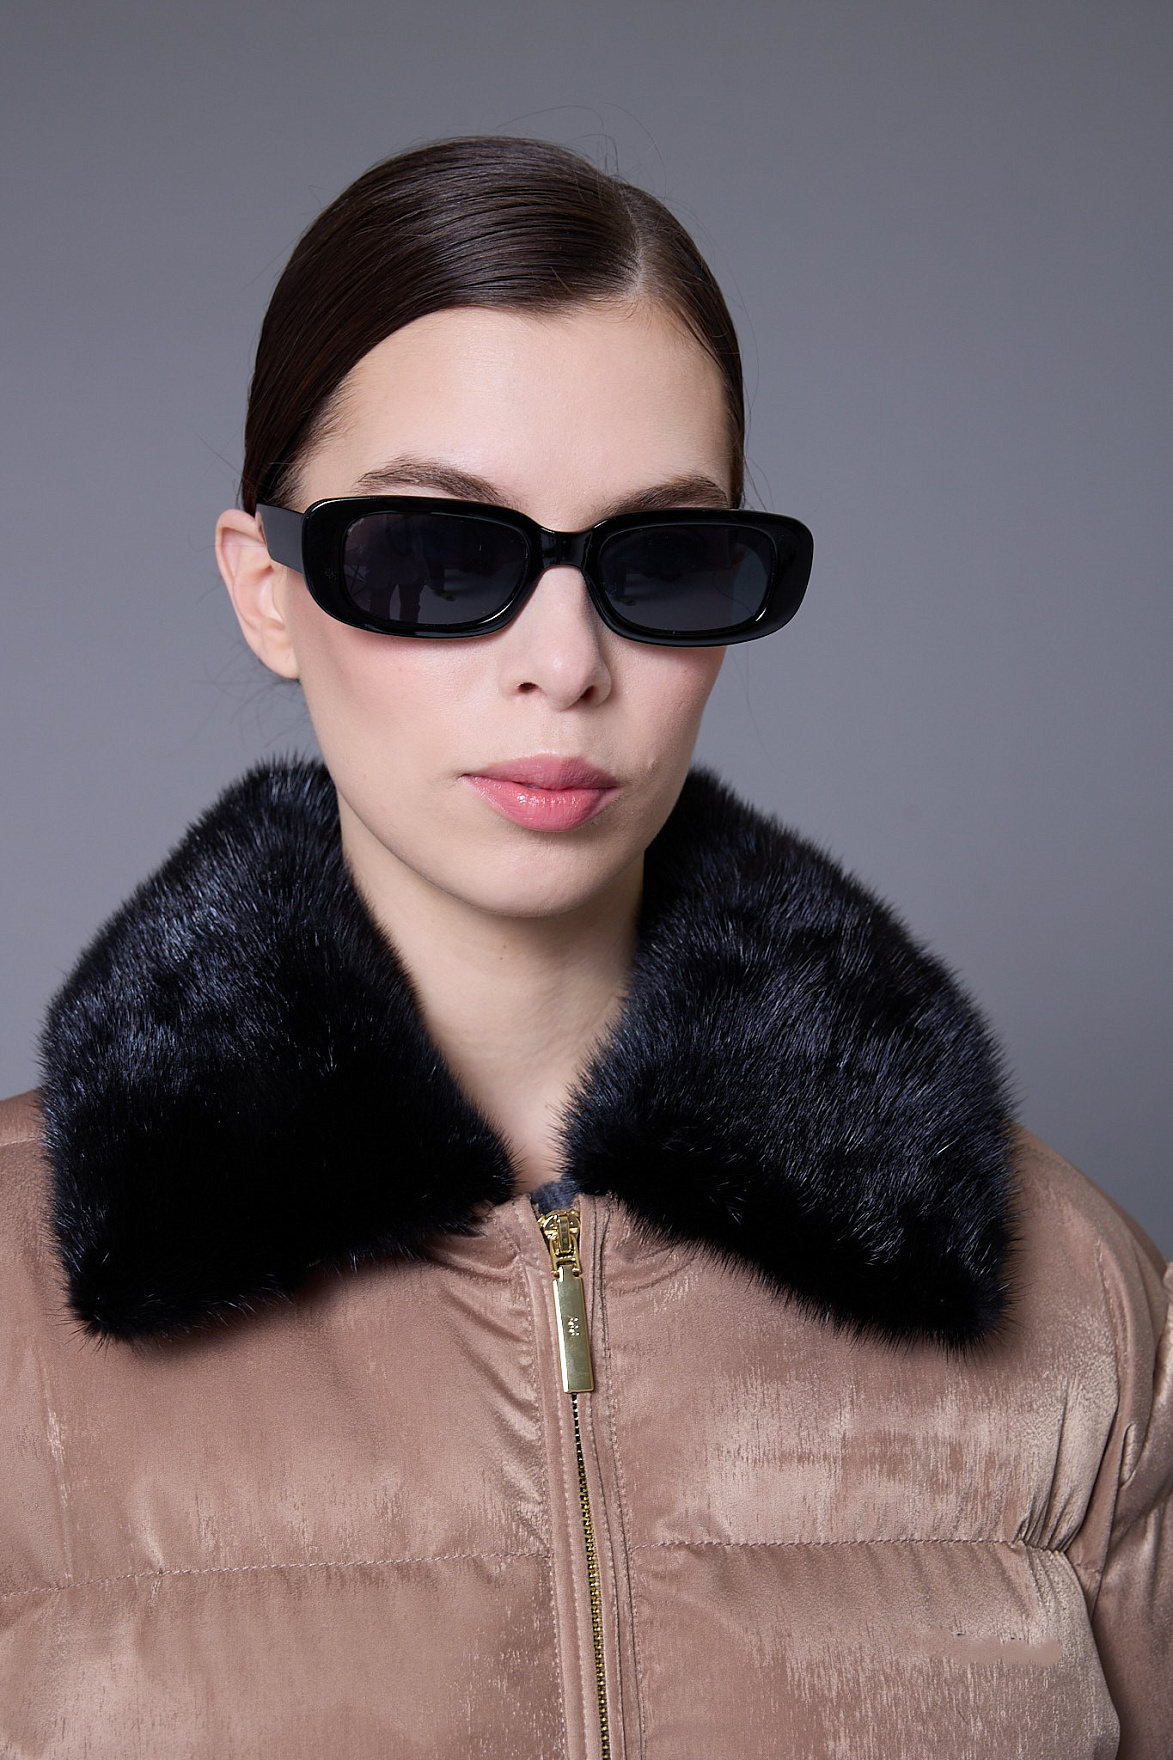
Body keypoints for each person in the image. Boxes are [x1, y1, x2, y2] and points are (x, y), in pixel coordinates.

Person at [0, 136, 1168, 1760]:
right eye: (435, 556)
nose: (565, 660)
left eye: (660, 561)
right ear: (268, 589)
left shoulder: (1079, 1305)